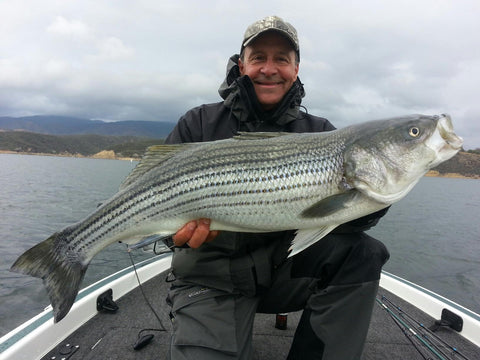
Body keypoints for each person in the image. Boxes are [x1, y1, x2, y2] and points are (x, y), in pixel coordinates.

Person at [164, 15, 390, 360]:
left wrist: (371, 191)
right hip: (211, 278)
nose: (269, 69)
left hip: (287, 272)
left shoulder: (323, 133)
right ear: (242, 66)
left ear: (295, 69)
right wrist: (174, 235)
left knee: (363, 251)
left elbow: (345, 221)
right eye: (258, 58)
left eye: (281, 59)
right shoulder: (198, 123)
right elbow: (158, 208)